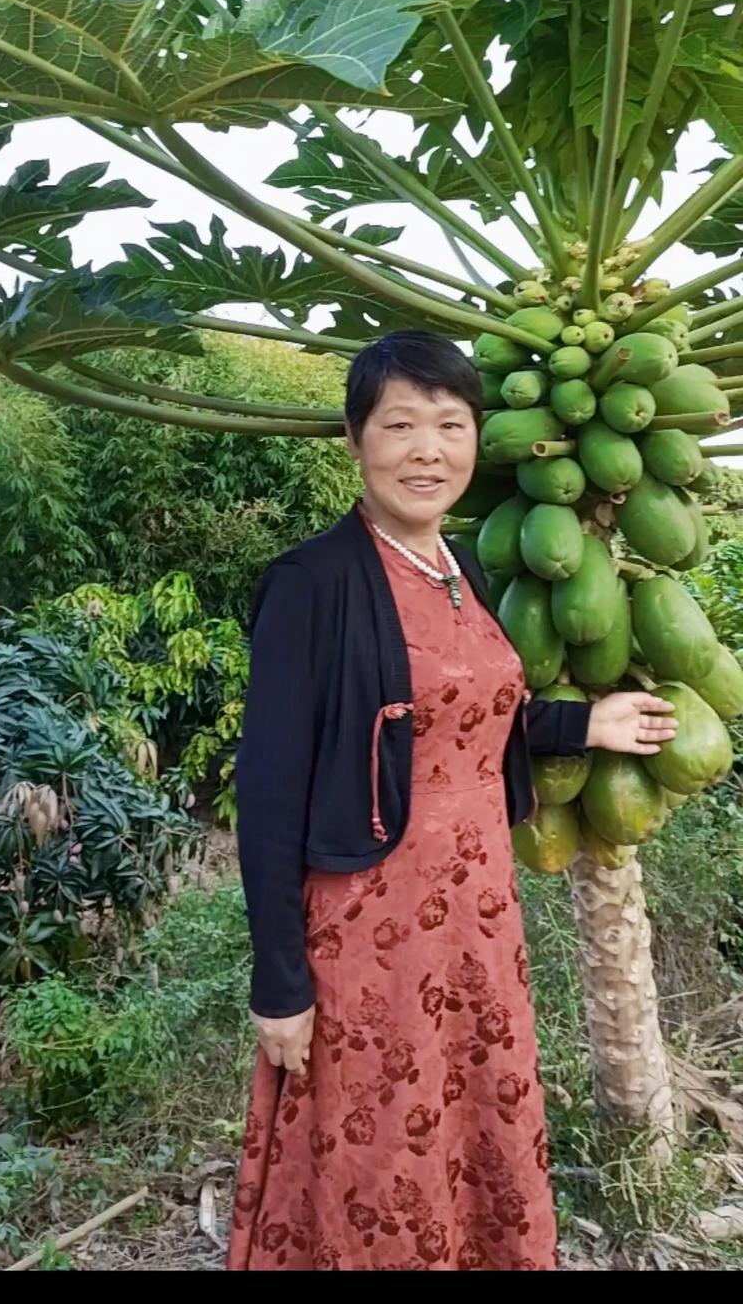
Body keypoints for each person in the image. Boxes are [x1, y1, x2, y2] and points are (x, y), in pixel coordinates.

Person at [227, 330, 676, 1272]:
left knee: (470, 1113)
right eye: (400, 425)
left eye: (451, 424)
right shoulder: (312, 585)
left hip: (478, 917)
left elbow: (469, 714)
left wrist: (582, 726)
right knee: (380, 1135)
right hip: (369, 925)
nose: (427, 449)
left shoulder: (465, 568)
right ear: (355, 441)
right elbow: (266, 799)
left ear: (479, 440)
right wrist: (279, 982)